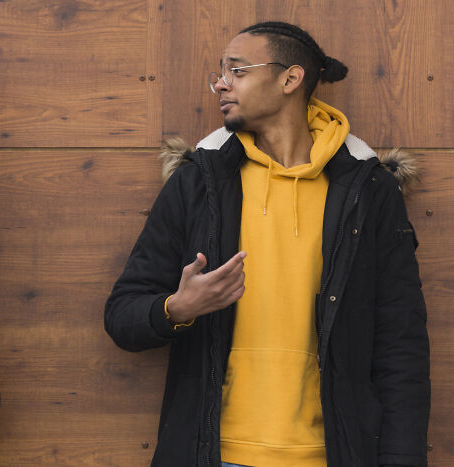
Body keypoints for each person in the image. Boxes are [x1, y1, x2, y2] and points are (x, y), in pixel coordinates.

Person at [105, 21, 429, 467]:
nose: (221, 83)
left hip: (332, 454)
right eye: (220, 72)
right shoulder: (198, 182)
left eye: (237, 70)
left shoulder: (369, 191)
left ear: (290, 79)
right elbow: (122, 314)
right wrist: (177, 309)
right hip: (216, 454)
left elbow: (401, 344)